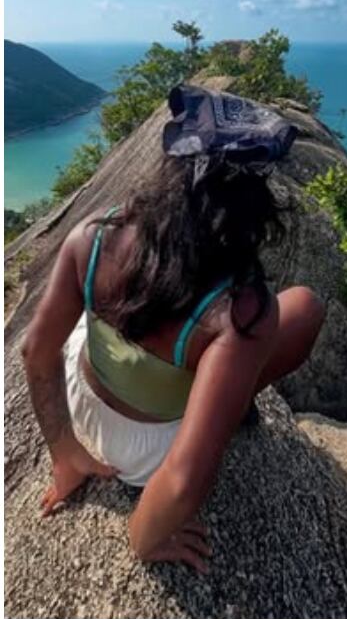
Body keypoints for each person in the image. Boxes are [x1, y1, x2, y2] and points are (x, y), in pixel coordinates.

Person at [20, 85, 326, 573]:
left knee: (95, 320)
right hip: (149, 457)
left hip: (83, 409)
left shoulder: (94, 234)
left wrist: (66, 452)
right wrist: (144, 538)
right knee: (304, 307)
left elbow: (37, 350)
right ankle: (229, 397)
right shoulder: (240, 309)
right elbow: (183, 479)